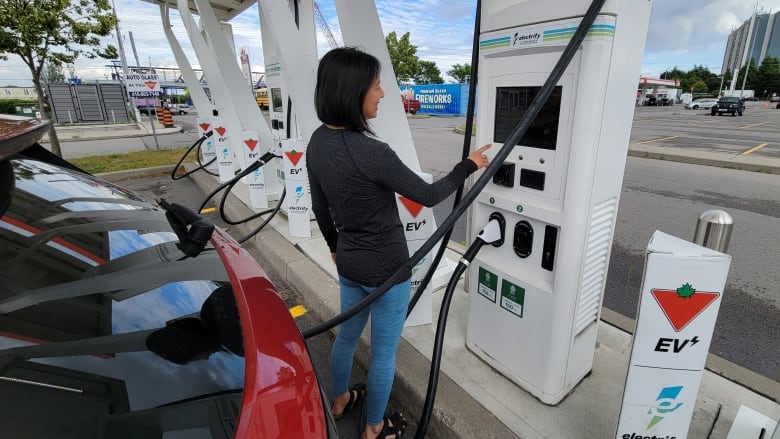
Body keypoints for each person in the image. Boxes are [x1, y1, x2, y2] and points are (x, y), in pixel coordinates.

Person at [307, 47, 491, 439]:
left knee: (347, 337)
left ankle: (338, 400)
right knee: (384, 354)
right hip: (388, 270)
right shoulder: (373, 153)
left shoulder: (317, 142)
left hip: (350, 263)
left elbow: (320, 208)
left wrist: (335, 248)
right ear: (352, 92)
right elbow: (427, 195)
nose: (382, 94)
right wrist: (468, 166)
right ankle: (374, 427)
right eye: (376, 86)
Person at [146, 284, 244, 365]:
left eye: (194, 359)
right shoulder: (212, 302)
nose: (206, 358)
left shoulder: (238, 345)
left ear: (194, 346)